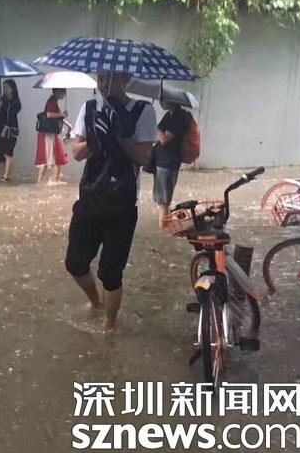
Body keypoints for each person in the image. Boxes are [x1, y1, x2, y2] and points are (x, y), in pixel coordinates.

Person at [67, 71, 157, 330]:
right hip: (90, 197)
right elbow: (76, 152)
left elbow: (143, 158)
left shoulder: (142, 111)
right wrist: (95, 142)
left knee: (110, 273)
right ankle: (95, 302)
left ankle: (109, 325)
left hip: (122, 204)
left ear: (125, 79)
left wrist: (119, 134)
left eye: (112, 79)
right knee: (75, 262)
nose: (105, 85)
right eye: (101, 78)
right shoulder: (89, 108)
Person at [152, 101, 191, 228]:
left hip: (167, 164)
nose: (161, 101)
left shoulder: (178, 117)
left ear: (172, 100)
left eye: (163, 99)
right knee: (163, 202)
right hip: (164, 162)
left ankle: (163, 232)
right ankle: (166, 230)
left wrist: (154, 126)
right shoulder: (170, 115)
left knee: (163, 202)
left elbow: (163, 139)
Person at [35, 88, 69, 185]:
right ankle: (40, 182)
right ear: (57, 91)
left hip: (51, 133)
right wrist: (62, 114)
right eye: (63, 91)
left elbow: (56, 117)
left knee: (57, 155)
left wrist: (67, 123)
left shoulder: (53, 101)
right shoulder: (51, 101)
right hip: (47, 134)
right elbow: (49, 115)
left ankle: (54, 180)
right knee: (47, 159)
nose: (64, 93)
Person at [0, 79, 22, 182]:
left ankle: (6, 176)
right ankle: (1, 174)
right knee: (1, 152)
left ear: (12, 89)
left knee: (8, 152)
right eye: (4, 87)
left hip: (11, 129)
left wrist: (6, 128)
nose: (5, 89)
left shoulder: (15, 103)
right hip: (1, 128)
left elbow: (11, 117)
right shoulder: (3, 100)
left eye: (7, 87)